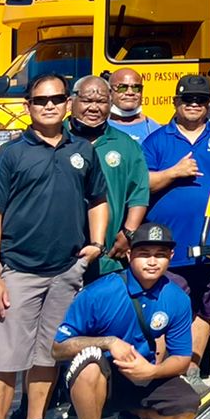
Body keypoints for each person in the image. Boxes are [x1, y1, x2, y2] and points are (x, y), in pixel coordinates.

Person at [0, 73, 110, 419]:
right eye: (40, 100)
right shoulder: (9, 155)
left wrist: (97, 242)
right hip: (18, 270)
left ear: (67, 102)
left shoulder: (83, 151)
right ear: (27, 105)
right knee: (3, 361)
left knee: (46, 354)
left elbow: (98, 198)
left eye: (56, 99)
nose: (49, 106)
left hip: (65, 270)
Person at [52, 223, 201, 419]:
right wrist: (108, 342)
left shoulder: (177, 297)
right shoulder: (100, 292)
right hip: (100, 377)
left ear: (171, 257)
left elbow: (181, 358)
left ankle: (134, 415)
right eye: (144, 253)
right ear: (130, 255)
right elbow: (57, 347)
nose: (152, 261)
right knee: (89, 361)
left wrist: (153, 370)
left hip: (142, 375)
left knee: (187, 409)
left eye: (160, 254)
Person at [141, 75, 210, 382]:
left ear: (208, 105)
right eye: (187, 99)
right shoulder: (156, 141)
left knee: (208, 311)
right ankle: (160, 371)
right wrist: (174, 172)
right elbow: (141, 184)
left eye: (200, 100)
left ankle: (189, 371)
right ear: (176, 103)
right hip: (168, 246)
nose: (193, 105)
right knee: (169, 308)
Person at [67, 76, 151, 277]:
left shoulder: (126, 145)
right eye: (87, 101)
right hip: (59, 259)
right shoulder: (57, 138)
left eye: (102, 102)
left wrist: (129, 233)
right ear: (72, 102)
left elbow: (139, 193)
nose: (94, 108)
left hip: (108, 260)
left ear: (110, 104)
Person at [105, 68, 159, 144]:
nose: (130, 92)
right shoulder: (99, 127)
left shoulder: (154, 130)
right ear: (110, 92)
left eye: (136, 88)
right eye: (122, 88)